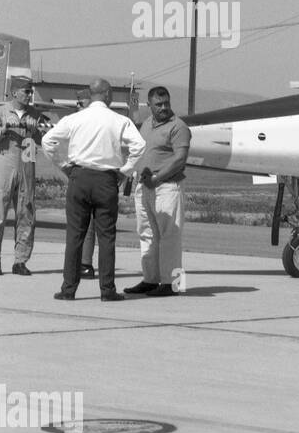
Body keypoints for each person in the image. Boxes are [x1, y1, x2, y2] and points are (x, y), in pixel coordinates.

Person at [41, 79, 146, 301]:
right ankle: (107, 290)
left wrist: (64, 166)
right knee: (106, 236)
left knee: (75, 236)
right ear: (107, 94)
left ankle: (68, 289)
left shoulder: (75, 118)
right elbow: (139, 145)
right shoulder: (119, 120)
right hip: (106, 180)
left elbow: (48, 140)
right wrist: (124, 171)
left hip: (79, 177)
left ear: (91, 94)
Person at [124, 86, 190, 298]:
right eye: (159, 104)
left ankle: (173, 284)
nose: (163, 108)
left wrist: (157, 178)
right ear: (149, 106)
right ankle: (151, 279)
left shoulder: (178, 127)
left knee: (170, 236)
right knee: (147, 234)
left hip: (167, 187)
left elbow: (179, 159)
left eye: (166, 104)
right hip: (145, 187)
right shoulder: (146, 125)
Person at [0, 75, 46, 276]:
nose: (30, 95)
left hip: (27, 162)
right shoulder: (1, 111)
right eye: (26, 91)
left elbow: (45, 140)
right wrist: (5, 127)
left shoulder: (35, 114)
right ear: (15, 92)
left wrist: (37, 131)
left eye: (30, 91)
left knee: (26, 213)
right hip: (6, 161)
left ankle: (21, 261)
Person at [73, 89, 98, 279]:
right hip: (80, 175)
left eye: (80, 103)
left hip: (94, 177)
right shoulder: (77, 122)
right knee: (79, 223)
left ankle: (85, 263)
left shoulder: (96, 123)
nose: (77, 107)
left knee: (88, 224)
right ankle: (80, 262)